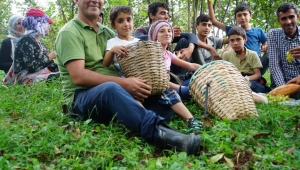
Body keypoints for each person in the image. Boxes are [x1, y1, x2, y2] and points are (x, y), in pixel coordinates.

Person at [55, 0, 201, 155]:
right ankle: (164, 135)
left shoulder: (108, 33)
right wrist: (125, 83)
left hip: (120, 91)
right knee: (111, 89)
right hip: (81, 97)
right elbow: (78, 77)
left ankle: (188, 94)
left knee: (158, 91)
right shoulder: (69, 32)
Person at [134, 2, 198, 85]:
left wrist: (190, 49)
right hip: (153, 72)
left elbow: (191, 35)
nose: (167, 17)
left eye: (167, 14)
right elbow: (138, 38)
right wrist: (163, 35)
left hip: (170, 66)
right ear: (152, 16)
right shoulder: (142, 30)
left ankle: (179, 78)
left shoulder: (168, 36)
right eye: (162, 13)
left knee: (186, 41)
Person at [207, 0, 269, 75]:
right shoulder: (233, 30)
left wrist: (265, 45)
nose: (242, 17)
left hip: (256, 64)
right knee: (229, 47)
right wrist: (209, 2)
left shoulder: (258, 31)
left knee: (270, 52)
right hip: (239, 66)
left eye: (245, 14)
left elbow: (266, 43)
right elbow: (214, 21)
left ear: (250, 16)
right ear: (236, 18)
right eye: (239, 15)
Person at [222, 26, 270, 93]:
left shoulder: (253, 54)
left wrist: (245, 79)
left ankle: (266, 90)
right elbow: (225, 74)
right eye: (232, 40)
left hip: (249, 79)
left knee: (251, 85)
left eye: (238, 39)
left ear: (245, 39)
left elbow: (257, 74)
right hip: (233, 81)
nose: (235, 43)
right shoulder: (226, 55)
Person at [268, 2, 300, 99]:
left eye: (291, 17)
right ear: (278, 20)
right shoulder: (273, 34)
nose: (288, 21)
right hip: (284, 81)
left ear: (297, 17)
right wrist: (283, 89)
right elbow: (274, 65)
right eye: (284, 18)